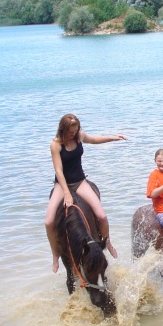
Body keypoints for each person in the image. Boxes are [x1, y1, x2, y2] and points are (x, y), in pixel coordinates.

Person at [45, 114, 126, 272]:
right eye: (70, 132)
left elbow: (94, 140)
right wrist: (67, 194)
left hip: (80, 181)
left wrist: (114, 138)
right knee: (48, 221)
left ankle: (107, 242)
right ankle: (55, 254)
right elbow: (59, 171)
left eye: (75, 131)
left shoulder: (79, 136)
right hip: (62, 185)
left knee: (101, 216)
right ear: (63, 130)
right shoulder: (55, 144)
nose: (73, 134)